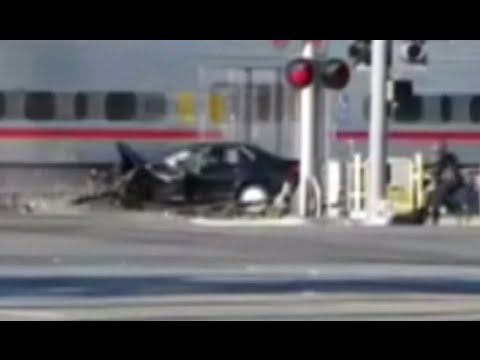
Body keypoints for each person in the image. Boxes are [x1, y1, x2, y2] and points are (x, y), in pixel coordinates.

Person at [426, 142, 464, 225]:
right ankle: (455, 209)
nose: (435, 153)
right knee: (439, 195)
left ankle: (436, 216)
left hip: (452, 181)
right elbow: (437, 172)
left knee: (438, 193)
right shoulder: (444, 158)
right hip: (450, 181)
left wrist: (435, 176)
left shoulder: (447, 158)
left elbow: (440, 171)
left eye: (436, 151)